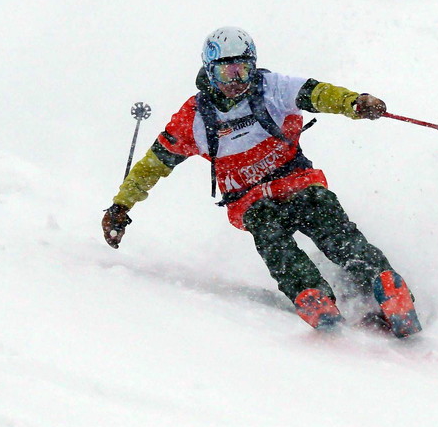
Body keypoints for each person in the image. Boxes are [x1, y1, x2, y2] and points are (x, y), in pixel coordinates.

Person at [102, 27, 421, 336]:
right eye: (227, 73)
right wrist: (120, 205)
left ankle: (387, 286)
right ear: (210, 72)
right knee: (275, 244)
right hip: (253, 202)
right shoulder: (195, 117)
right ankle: (312, 295)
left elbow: (318, 93)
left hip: (297, 183)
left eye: (243, 71)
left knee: (335, 233)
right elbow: (152, 165)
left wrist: (355, 102)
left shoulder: (272, 87)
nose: (236, 81)